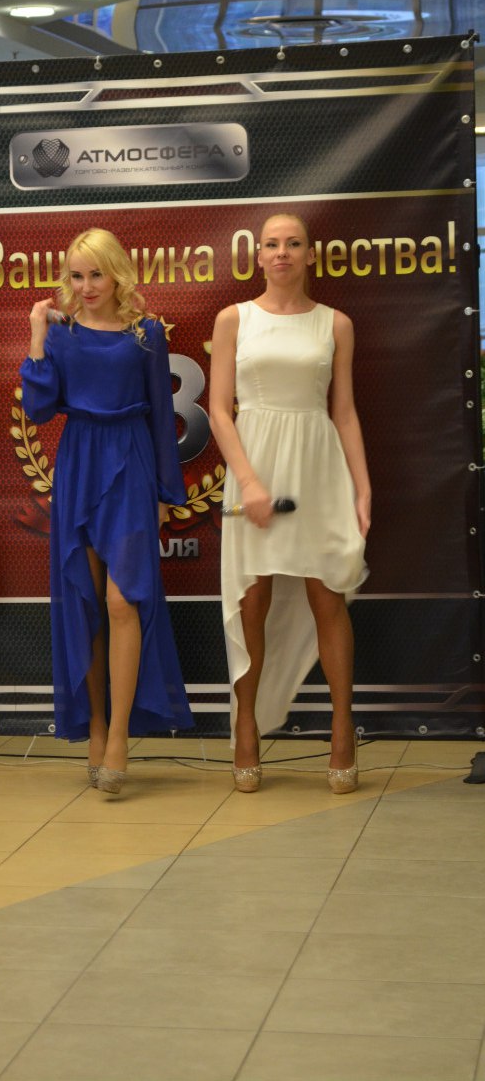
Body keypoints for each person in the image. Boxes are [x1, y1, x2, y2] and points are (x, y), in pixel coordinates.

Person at [20, 228, 194, 796]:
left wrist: (167, 494)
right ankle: (95, 727)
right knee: (87, 604)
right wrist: (37, 335)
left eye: (96, 274)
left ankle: (119, 736)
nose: (86, 285)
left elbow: (163, 419)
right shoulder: (62, 333)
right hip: (79, 464)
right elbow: (39, 409)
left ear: (117, 273)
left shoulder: (146, 333)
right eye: (76, 275)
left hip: (131, 463)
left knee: (124, 601)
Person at [209, 212, 370, 795]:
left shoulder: (336, 324)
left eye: (293, 243)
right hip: (253, 466)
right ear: (257, 256)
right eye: (272, 244)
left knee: (328, 597)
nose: (281, 252)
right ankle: (245, 728)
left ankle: (343, 729)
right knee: (252, 600)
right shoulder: (234, 318)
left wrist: (363, 487)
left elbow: (343, 411)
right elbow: (219, 410)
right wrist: (249, 482)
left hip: (318, 467)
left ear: (309, 254)